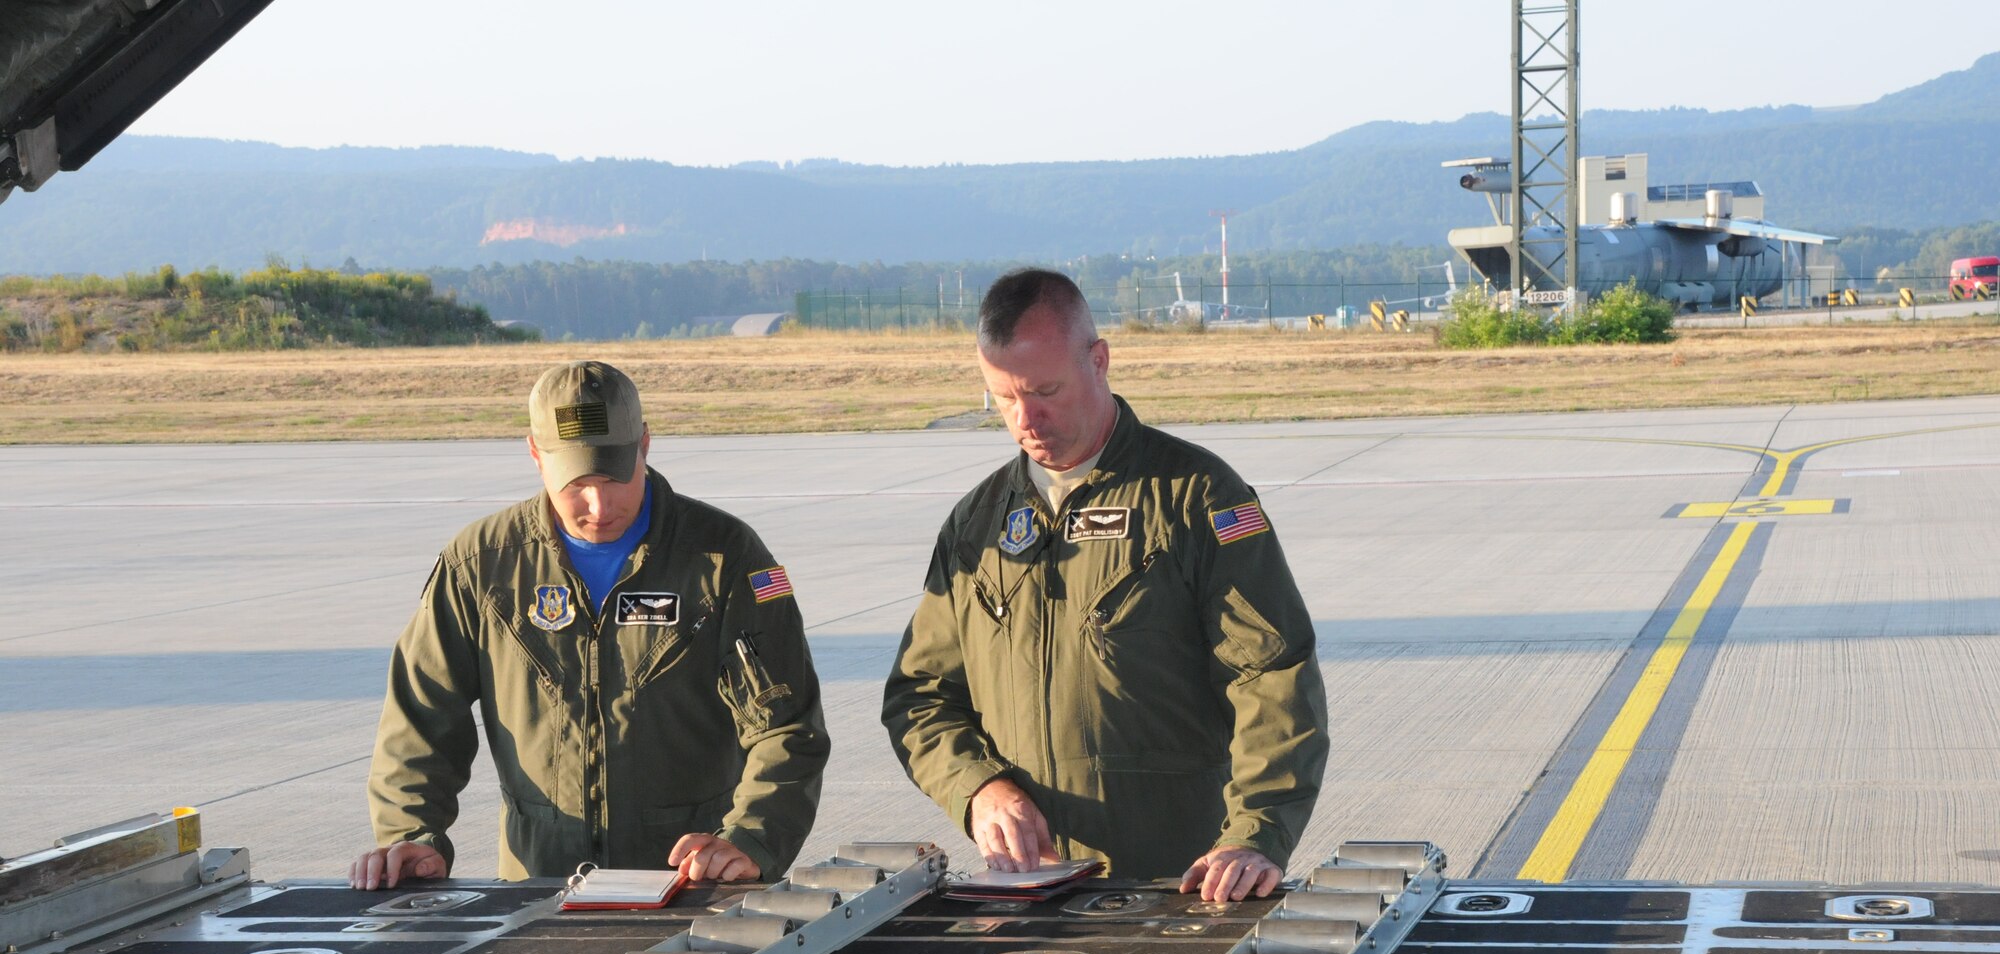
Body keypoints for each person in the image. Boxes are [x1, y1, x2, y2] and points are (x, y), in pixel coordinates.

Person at [882, 269, 1328, 902]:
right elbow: (920, 697)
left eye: (1045, 392)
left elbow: (1273, 677)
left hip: (1181, 886)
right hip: (1028, 891)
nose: (1025, 420)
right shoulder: (976, 524)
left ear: (1099, 360)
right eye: (1003, 398)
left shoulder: (1195, 497)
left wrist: (1255, 836)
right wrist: (978, 788)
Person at [351, 360, 827, 889]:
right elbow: (419, 716)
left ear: (645, 445)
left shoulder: (725, 558)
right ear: (535, 454)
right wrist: (411, 835)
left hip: (691, 890)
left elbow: (787, 727)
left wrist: (751, 838)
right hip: (539, 894)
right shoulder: (483, 565)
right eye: (576, 482)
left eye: (614, 477)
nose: (598, 506)